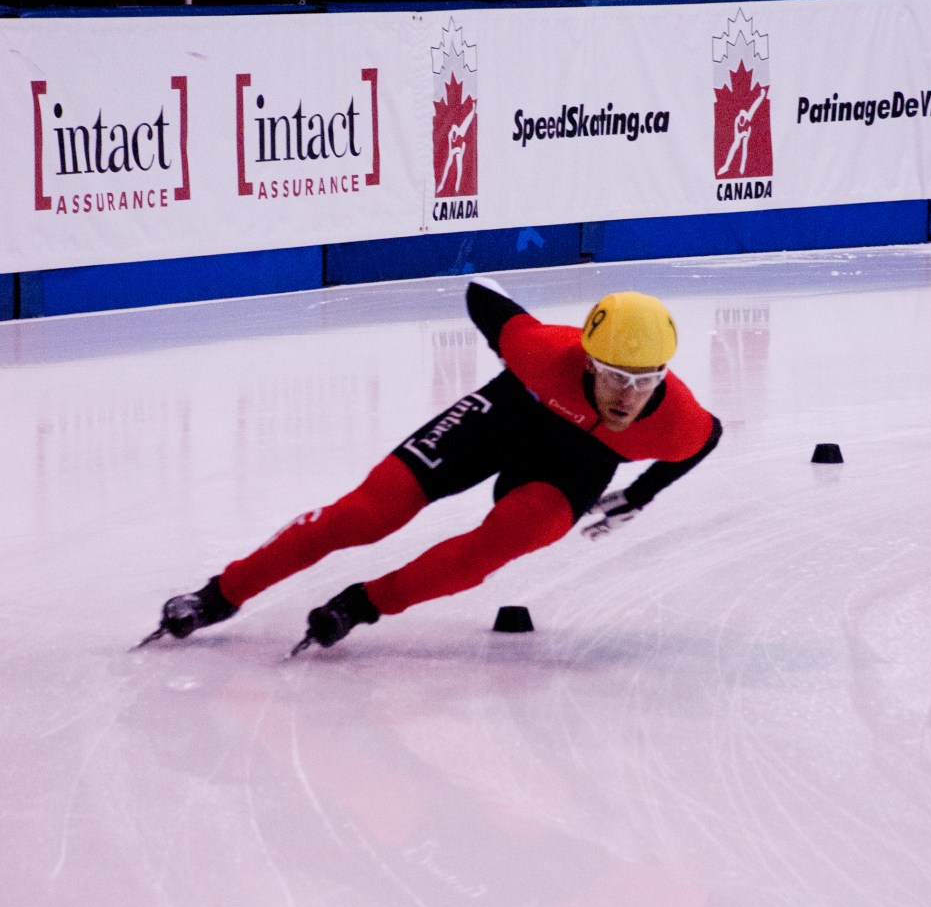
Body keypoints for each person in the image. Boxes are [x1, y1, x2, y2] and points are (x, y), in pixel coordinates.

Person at [149, 280, 722, 653]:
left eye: (646, 380)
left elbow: (708, 439)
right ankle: (219, 594)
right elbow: (483, 292)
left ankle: (361, 604)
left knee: (505, 541)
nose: (628, 395)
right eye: (615, 376)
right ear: (589, 361)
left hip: (572, 466)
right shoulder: (543, 351)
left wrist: (640, 494)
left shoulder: (677, 422)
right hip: (506, 417)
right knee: (367, 515)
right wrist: (508, 356)